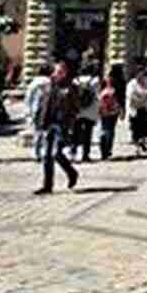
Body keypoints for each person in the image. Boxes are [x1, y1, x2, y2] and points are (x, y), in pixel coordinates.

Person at [34, 61, 80, 195]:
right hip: (49, 123)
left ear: (65, 73)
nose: (56, 74)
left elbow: (76, 107)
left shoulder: (71, 87)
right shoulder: (50, 86)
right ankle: (47, 185)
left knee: (56, 153)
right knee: (47, 155)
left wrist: (70, 123)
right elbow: (45, 105)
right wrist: (41, 122)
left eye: (60, 72)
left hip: (62, 125)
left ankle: (71, 172)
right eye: (55, 71)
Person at [72, 63, 101, 162]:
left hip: (78, 110)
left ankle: (73, 151)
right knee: (88, 133)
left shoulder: (75, 80)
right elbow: (97, 95)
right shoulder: (95, 80)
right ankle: (85, 154)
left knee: (76, 132)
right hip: (90, 110)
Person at [25, 63, 53, 162]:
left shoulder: (33, 83)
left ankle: (36, 153)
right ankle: (46, 152)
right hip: (48, 110)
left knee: (37, 132)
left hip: (36, 110)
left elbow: (28, 98)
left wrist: (28, 112)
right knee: (46, 133)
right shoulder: (49, 82)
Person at [126, 68, 147, 156]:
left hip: (144, 109)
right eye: (139, 74)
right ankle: (137, 148)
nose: (141, 76)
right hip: (135, 110)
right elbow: (130, 96)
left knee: (144, 128)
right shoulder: (131, 84)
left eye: (143, 75)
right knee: (135, 130)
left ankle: (143, 142)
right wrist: (143, 96)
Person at [97, 65, 124, 160]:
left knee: (104, 129)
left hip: (103, 109)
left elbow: (97, 96)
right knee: (110, 130)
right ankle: (107, 149)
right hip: (113, 110)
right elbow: (121, 98)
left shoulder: (102, 82)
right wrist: (122, 110)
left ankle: (103, 150)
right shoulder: (119, 82)